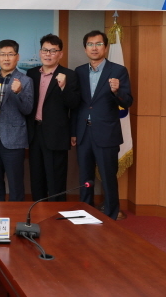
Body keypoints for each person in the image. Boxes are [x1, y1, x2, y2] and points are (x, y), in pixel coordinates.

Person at [72, 30, 133, 220]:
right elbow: (77, 105)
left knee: (108, 177)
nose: (94, 48)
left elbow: (128, 101)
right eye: (90, 44)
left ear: (105, 47)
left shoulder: (118, 71)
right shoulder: (79, 71)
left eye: (98, 44)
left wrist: (117, 91)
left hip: (107, 133)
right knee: (85, 178)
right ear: (85, 49)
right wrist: (74, 132)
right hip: (84, 132)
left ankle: (111, 215)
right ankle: (85, 212)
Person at [27, 34, 80, 201]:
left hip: (56, 135)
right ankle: (38, 211)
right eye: (45, 50)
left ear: (60, 54)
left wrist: (64, 87)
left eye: (53, 51)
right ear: (40, 52)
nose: (48, 54)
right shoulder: (32, 74)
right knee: (36, 179)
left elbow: (74, 104)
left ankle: (56, 212)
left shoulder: (69, 75)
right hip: (34, 133)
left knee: (56, 181)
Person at [0, 39, 33, 201]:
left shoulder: (25, 80)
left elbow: (27, 109)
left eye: (10, 54)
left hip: (13, 139)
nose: (6, 58)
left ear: (17, 57)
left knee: (15, 184)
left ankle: (17, 215)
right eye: (3, 54)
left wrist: (18, 93)